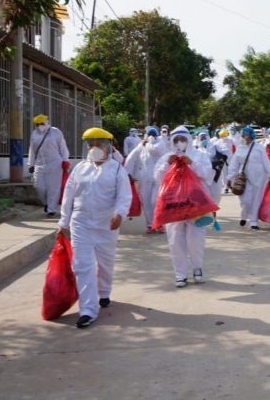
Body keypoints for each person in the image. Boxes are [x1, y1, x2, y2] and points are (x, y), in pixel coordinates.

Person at [58, 127, 131, 328]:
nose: (94, 148)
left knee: (105, 263)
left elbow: (124, 196)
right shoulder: (79, 169)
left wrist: (119, 213)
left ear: (108, 147)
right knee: (83, 266)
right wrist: (63, 222)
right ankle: (88, 310)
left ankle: (104, 292)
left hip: (106, 224)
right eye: (91, 144)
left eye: (99, 144)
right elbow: (68, 197)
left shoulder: (117, 169)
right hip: (80, 223)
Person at [155, 126, 214, 287]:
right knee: (175, 239)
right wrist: (167, 164)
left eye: (183, 139)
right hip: (173, 204)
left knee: (196, 238)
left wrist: (192, 163)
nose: (180, 142)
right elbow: (158, 178)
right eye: (176, 140)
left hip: (195, 204)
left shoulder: (200, 155)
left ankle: (197, 268)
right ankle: (180, 274)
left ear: (188, 139)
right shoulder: (166, 157)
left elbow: (208, 175)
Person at [227, 126, 270, 231]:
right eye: (244, 135)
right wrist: (230, 177)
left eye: (247, 135)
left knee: (256, 200)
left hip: (258, 178)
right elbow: (234, 164)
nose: (245, 137)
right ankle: (244, 216)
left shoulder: (259, 148)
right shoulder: (240, 148)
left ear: (251, 136)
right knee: (245, 201)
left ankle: (253, 221)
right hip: (244, 179)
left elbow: (265, 162)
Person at [125, 126, 167, 233]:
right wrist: (127, 173)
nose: (151, 137)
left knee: (155, 200)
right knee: (146, 202)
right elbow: (131, 158)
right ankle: (150, 225)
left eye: (153, 135)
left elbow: (155, 150)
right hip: (145, 178)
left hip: (158, 178)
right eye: (149, 134)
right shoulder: (140, 146)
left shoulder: (160, 144)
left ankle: (159, 222)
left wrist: (147, 143)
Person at [28, 114, 70, 218]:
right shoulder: (34, 134)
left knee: (53, 188)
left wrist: (65, 160)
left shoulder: (56, 132)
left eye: (42, 123)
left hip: (55, 163)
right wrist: (31, 164)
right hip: (39, 164)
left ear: (47, 122)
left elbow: (63, 147)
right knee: (38, 186)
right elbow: (32, 150)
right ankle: (47, 203)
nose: (40, 126)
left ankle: (51, 209)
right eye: (37, 124)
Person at [197, 131, 225, 205]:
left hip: (216, 174)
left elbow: (225, 153)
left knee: (216, 193)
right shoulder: (198, 150)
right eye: (201, 138)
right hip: (204, 176)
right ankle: (209, 210)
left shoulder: (214, 147)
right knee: (205, 194)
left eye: (204, 137)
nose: (203, 139)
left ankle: (214, 208)